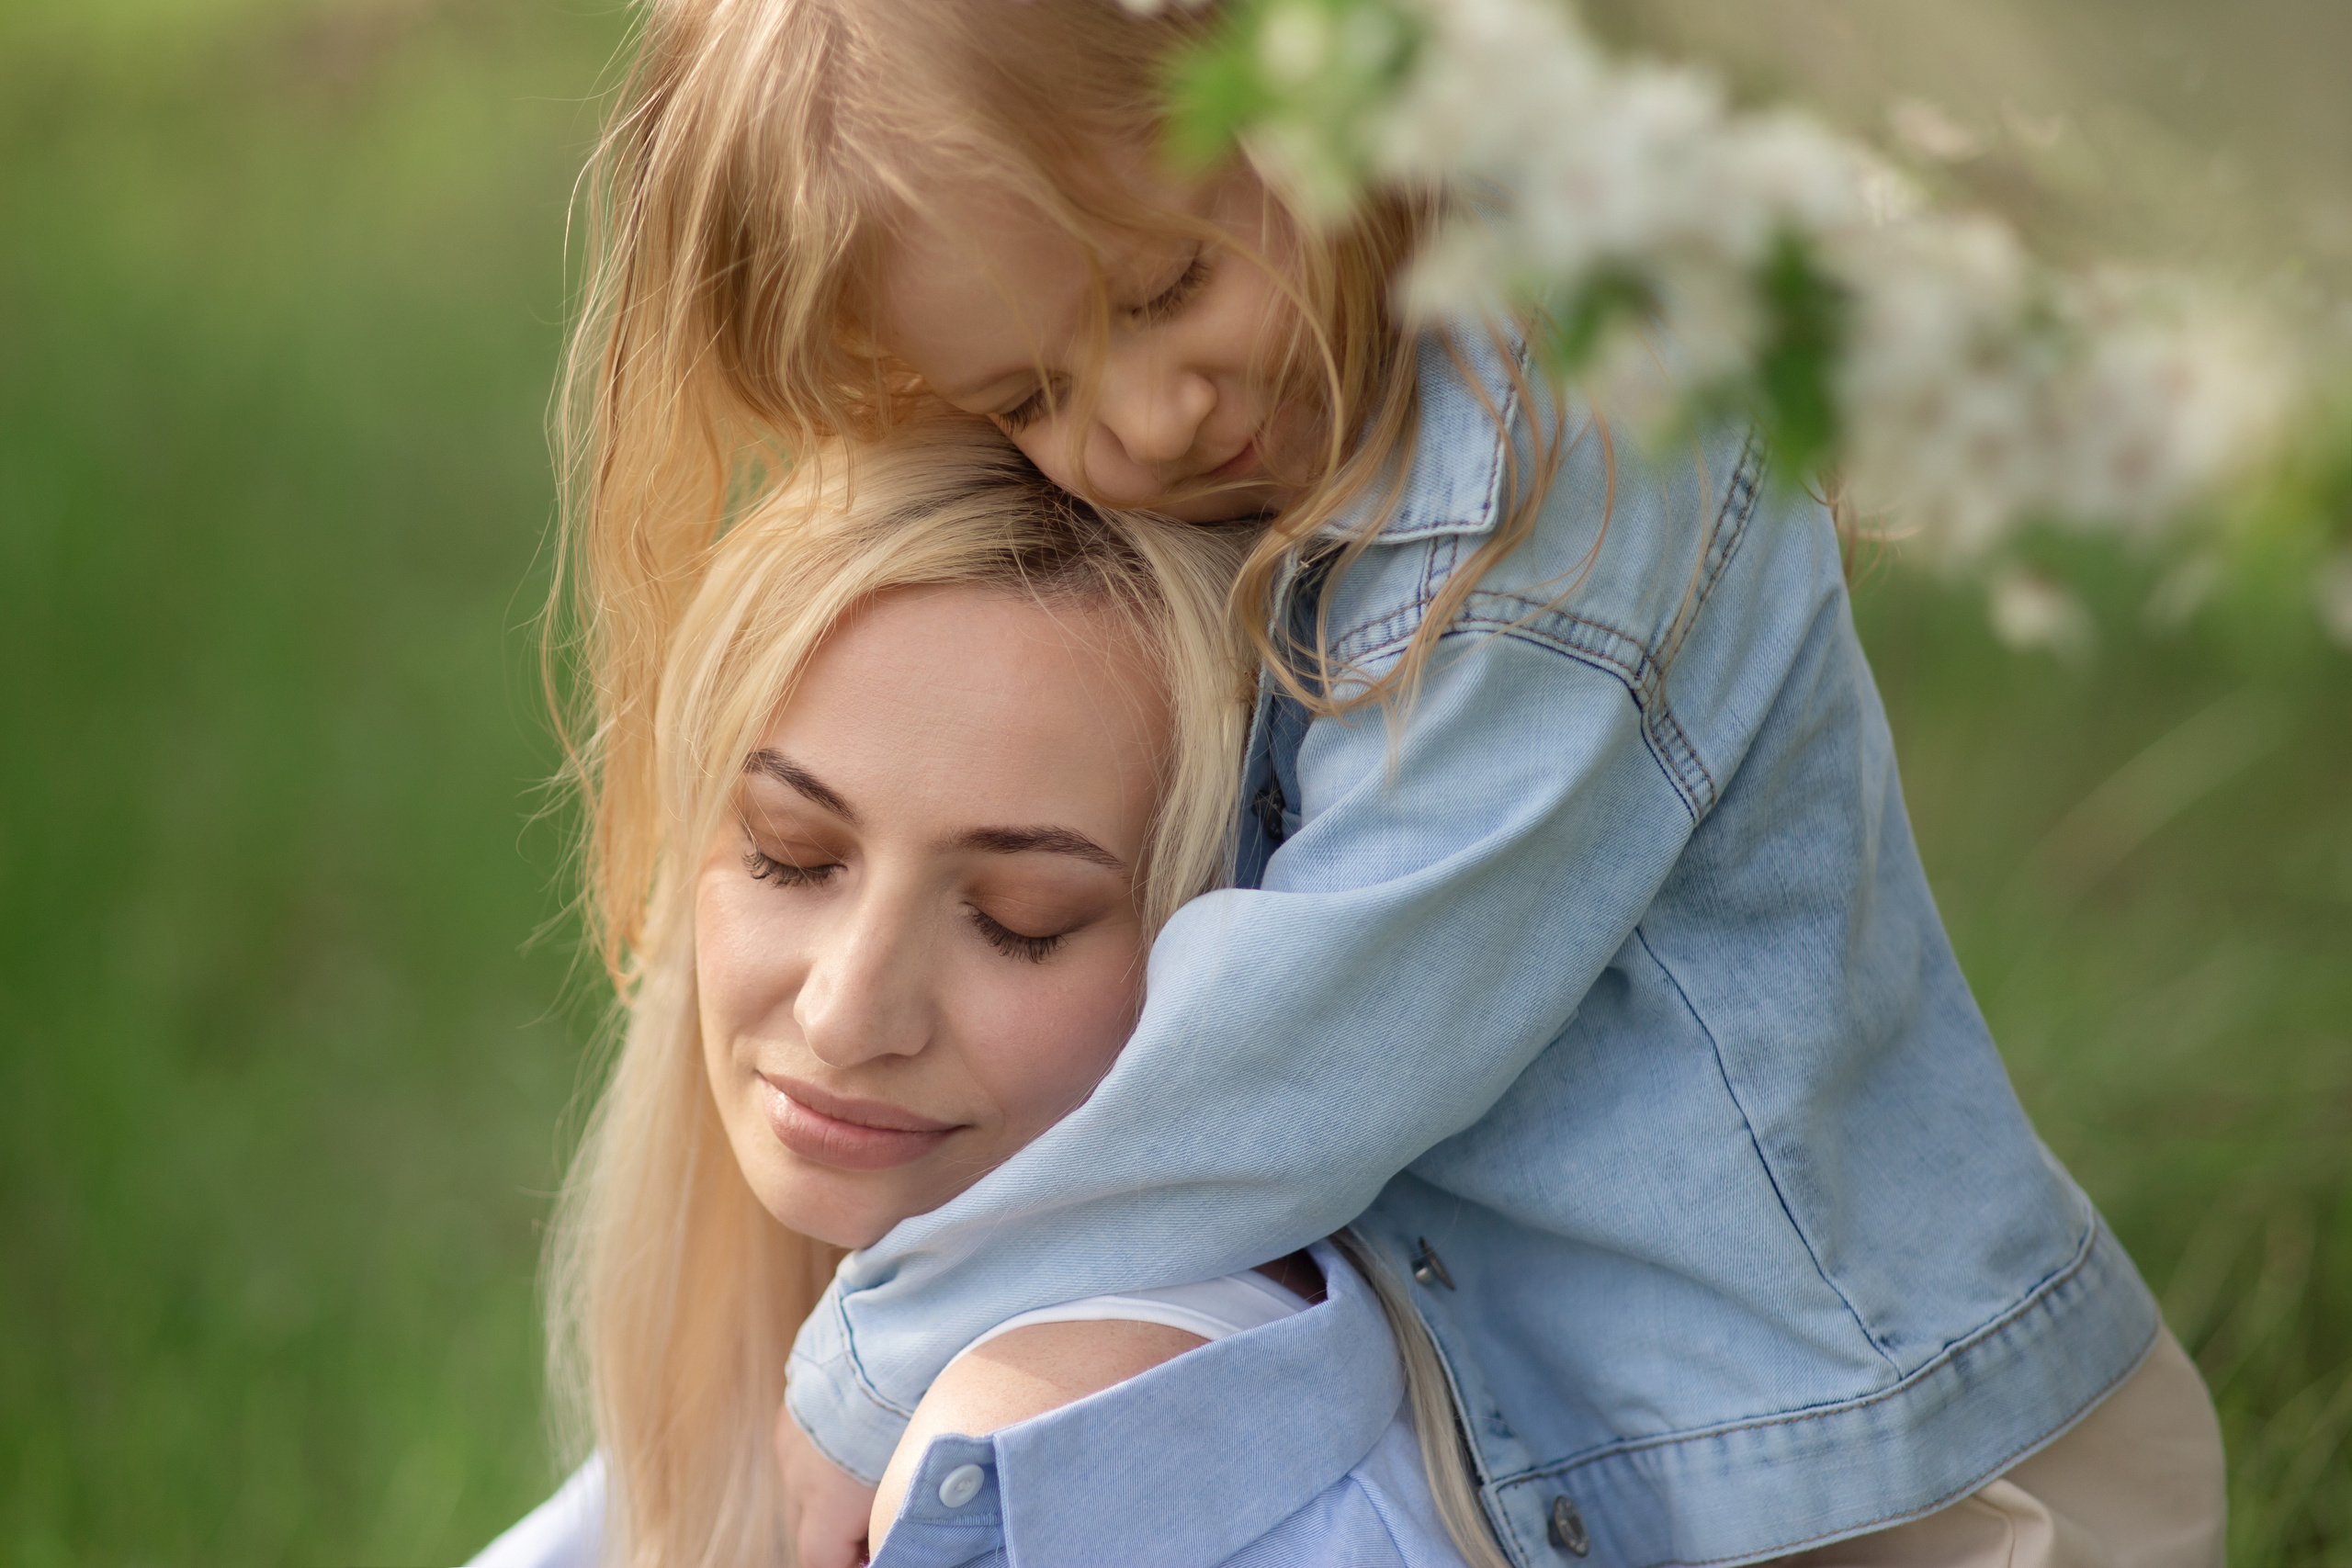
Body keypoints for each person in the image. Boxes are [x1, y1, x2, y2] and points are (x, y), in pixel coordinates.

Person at [551, 2, 2229, 1564]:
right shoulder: (1306, 438)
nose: (1144, 420)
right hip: (1636, 1453)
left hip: (1890, 1478)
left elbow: (1335, 1019)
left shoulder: (1568, 447)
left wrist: (882, 1356)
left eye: (1162, 289)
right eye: (1032, 393)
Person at [474, 424, 1502, 1568]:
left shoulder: (1071, 1487)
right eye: (789, 853)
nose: (845, 1017)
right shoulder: (722, 1430)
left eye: (1021, 918)